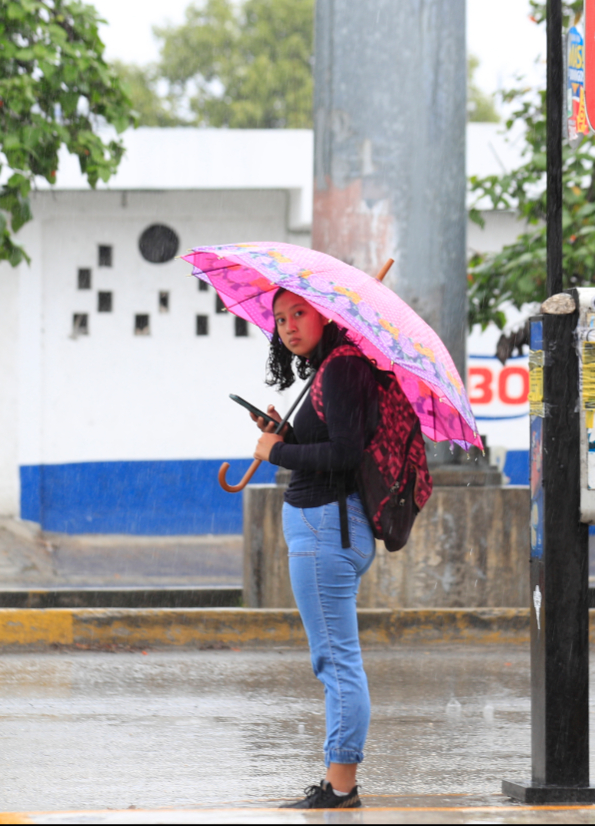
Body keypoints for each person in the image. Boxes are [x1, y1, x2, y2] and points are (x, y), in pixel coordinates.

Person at [249, 289, 382, 810]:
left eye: (299, 313)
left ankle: (341, 787)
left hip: (327, 527)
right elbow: (332, 444)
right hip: (325, 526)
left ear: (326, 314)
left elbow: (346, 454)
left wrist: (278, 450)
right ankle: (338, 782)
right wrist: (284, 434)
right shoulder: (328, 370)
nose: (287, 326)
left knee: (336, 661)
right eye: (280, 318)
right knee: (334, 658)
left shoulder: (343, 368)